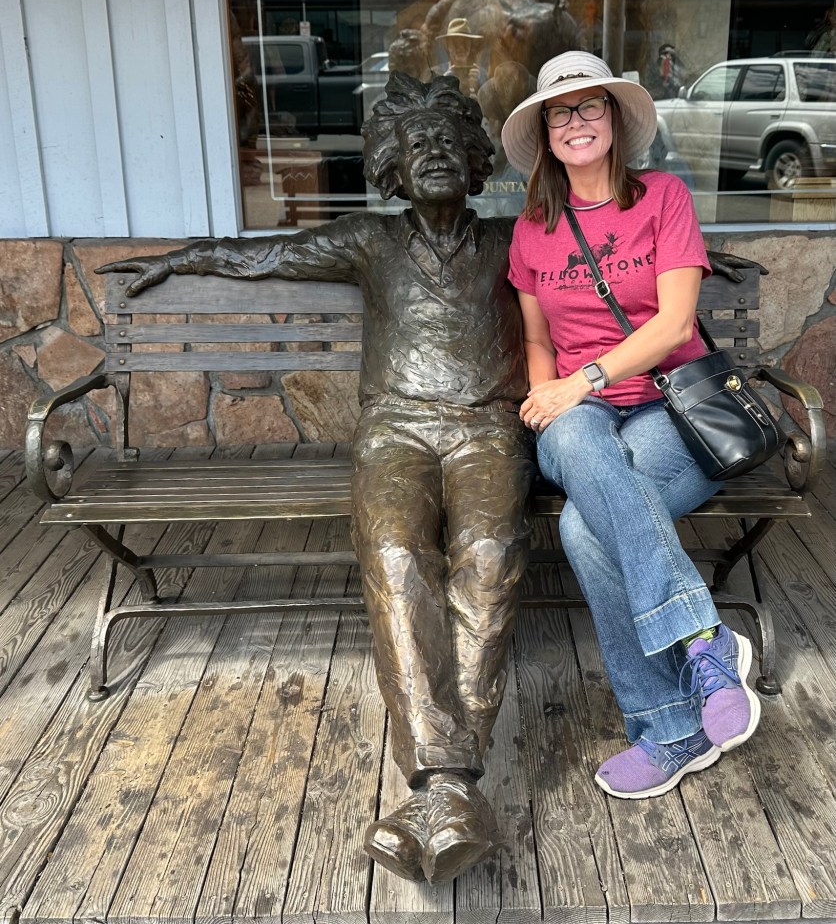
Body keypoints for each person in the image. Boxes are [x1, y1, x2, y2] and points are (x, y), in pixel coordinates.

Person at [96, 72, 535, 884]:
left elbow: (603, 258)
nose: (433, 153)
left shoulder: (515, 241)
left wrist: (689, 257)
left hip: (488, 428)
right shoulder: (371, 241)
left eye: (448, 141)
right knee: (398, 560)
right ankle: (454, 786)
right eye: (415, 144)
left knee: (489, 557)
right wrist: (188, 256)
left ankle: (438, 789)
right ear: (391, 169)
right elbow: (268, 256)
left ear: (478, 164)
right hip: (395, 431)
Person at [499, 51, 762, 799]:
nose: (576, 122)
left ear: (615, 121)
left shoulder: (664, 199)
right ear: (546, 133)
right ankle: (704, 642)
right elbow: (538, 342)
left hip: (668, 407)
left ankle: (669, 725)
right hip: (574, 413)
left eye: (590, 107)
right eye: (560, 112)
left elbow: (676, 321)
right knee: (577, 438)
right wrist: (551, 394)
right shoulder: (532, 230)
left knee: (585, 528)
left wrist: (583, 380)